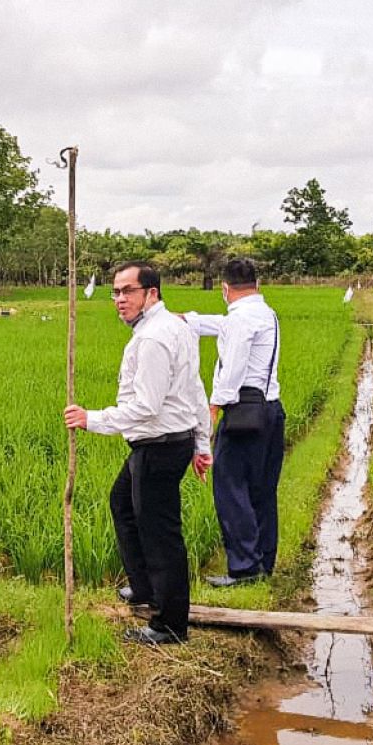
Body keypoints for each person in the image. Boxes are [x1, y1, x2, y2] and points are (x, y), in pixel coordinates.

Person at [63, 261, 212, 645]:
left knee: (160, 533)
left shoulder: (153, 339)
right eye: (115, 292)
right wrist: (201, 443)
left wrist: (89, 418)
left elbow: (146, 406)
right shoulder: (173, 327)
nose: (119, 299)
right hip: (167, 442)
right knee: (123, 504)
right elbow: (194, 390)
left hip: (158, 446)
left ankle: (169, 625)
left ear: (151, 294)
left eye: (127, 291)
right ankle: (144, 587)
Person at [182, 258, 285, 587]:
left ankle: (243, 569)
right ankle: (262, 563)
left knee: (230, 487)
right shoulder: (265, 313)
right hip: (270, 410)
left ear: (225, 289)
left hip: (244, 412)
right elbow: (218, 325)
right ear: (258, 283)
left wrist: (215, 404)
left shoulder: (240, 320)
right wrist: (185, 320)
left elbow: (235, 364)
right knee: (263, 490)